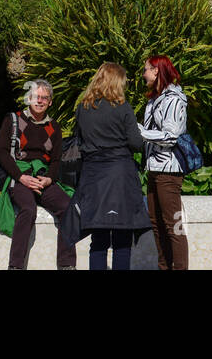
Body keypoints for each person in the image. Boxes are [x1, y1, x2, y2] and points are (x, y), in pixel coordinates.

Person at [70, 63, 149, 270]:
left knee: (98, 239)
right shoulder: (122, 107)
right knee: (122, 238)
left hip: (93, 176)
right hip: (119, 176)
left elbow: (79, 140)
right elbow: (136, 143)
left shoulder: (83, 107)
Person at [0, 79, 77, 270]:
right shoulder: (13, 120)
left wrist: (49, 178)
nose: (39, 101)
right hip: (20, 177)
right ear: (29, 99)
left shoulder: (54, 127)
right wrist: (20, 177)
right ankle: (15, 266)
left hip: (43, 179)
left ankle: (66, 265)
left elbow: (56, 160)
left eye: (44, 98)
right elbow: (2, 152)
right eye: (36, 97)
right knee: (28, 209)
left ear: (50, 102)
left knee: (67, 208)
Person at [139, 55, 188, 270]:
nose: (143, 75)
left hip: (169, 171)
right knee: (156, 225)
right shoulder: (155, 98)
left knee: (173, 226)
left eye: (146, 70)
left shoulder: (173, 99)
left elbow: (170, 136)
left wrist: (140, 132)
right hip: (153, 168)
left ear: (157, 70)